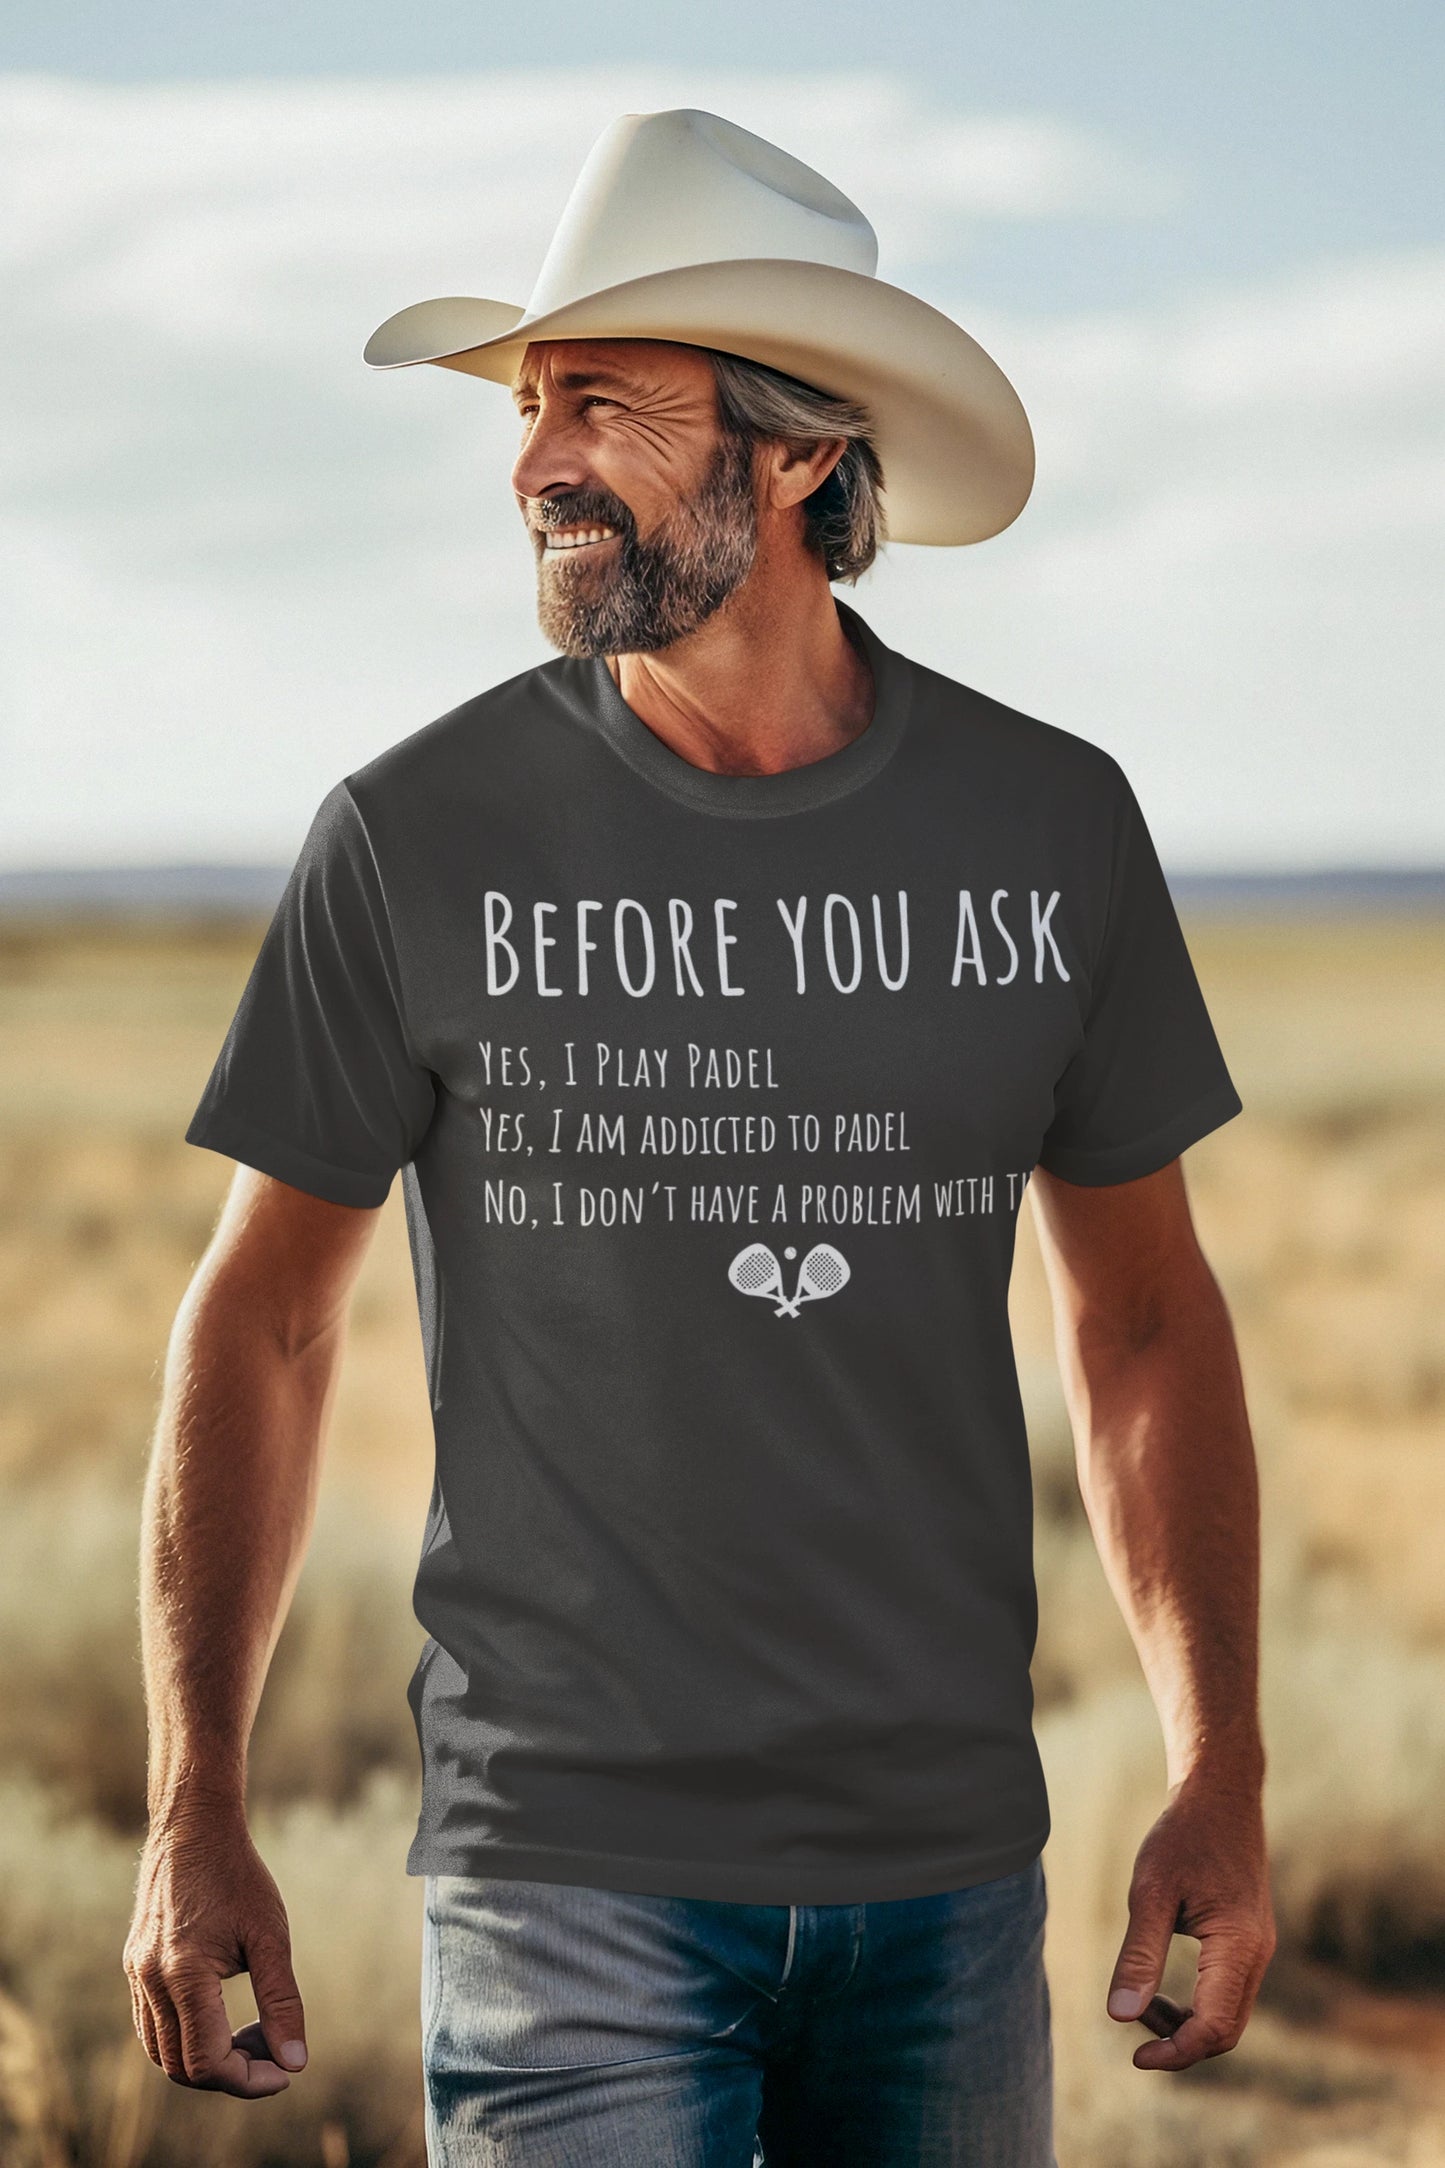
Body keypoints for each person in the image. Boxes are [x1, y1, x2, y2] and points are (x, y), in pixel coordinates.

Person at [122, 107, 1275, 2165]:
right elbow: (263, 1326)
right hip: (565, 1877)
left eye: (601, 403)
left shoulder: (1052, 829)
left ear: (802, 446)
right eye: (529, 401)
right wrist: (192, 1793)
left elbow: (1149, 1324)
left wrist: (1223, 1760)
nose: (531, 461)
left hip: (948, 1879)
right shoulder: (416, 837)